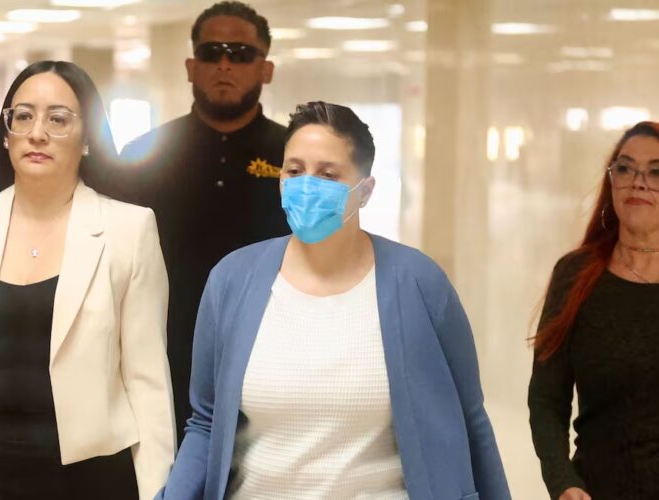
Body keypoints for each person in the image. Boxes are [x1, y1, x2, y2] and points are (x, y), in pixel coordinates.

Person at [158, 102, 511, 499]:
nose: (307, 186)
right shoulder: (232, 281)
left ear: (366, 191)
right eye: (294, 171)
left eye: (328, 174)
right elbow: (206, 423)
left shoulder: (419, 283)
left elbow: (470, 420)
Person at [0, 60, 175, 500]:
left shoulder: (128, 230)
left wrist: (159, 492)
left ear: (88, 138)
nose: (37, 133)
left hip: (89, 485)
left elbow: (147, 385)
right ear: (6, 134)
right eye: (23, 116)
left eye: (58, 119)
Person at [116, 0, 289, 442]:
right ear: (191, 67)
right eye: (212, 53)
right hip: (161, 361)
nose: (224, 65)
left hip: (272, 363)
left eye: (241, 54)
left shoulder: (295, 158)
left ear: (266, 69)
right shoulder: (142, 156)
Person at [529, 121, 659, 500]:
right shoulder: (575, 275)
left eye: (656, 172)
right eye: (625, 168)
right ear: (611, 181)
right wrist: (563, 481)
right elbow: (546, 399)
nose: (638, 182)